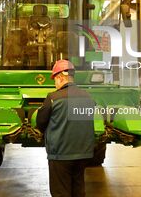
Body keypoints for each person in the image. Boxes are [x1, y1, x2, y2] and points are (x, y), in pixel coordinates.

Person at [36, 60, 95, 197]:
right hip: (83, 153)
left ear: (60, 77)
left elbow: (41, 122)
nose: (55, 84)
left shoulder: (53, 98)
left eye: (54, 80)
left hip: (60, 154)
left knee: (61, 192)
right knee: (78, 190)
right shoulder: (87, 97)